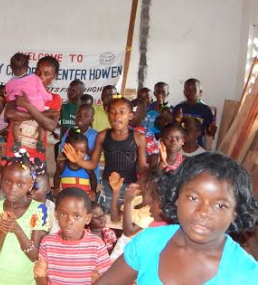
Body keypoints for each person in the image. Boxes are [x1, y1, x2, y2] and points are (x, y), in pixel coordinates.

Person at [95, 153, 258, 284]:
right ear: (176, 197)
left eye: (220, 205)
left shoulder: (246, 274)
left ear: (235, 213)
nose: (203, 212)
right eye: (194, 198)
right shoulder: (149, 242)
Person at [64, 97, 147, 213]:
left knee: (125, 221)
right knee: (106, 220)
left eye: (122, 112)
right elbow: (93, 164)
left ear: (130, 116)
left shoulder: (139, 137)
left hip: (130, 188)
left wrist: (143, 182)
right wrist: (78, 160)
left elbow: (142, 167)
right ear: (108, 115)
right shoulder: (102, 136)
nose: (116, 116)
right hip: (108, 188)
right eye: (112, 112)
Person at [0, 152, 52, 285]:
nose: (12, 188)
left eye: (20, 184)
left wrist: (17, 229)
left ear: (30, 184)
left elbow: (35, 256)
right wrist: (3, 231)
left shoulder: (39, 211)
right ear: (1, 178)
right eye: (8, 181)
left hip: (27, 281)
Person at [35, 187, 112, 285]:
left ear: (88, 218)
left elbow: (108, 279)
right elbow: (40, 276)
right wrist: (40, 276)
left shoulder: (96, 245)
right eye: (63, 214)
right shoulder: (47, 243)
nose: (69, 221)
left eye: (76, 216)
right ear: (56, 215)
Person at [5, 56, 62, 164]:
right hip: (14, 155)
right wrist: (43, 115)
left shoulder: (54, 99)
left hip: (37, 158)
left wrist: (27, 105)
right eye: (38, 71)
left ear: (53, 76)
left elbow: (51, 126)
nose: (40, 76)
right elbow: (9, 114)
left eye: (46, 74)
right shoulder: (20, 89)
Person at [54, 130, 97, 201]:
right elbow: (57, 176)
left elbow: (93, 178)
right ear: (66, 150)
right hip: (66, 200)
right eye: (75, 151)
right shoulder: (62, 165)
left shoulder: (87, 166)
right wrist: (56, 188)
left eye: (82, 152)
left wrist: (93, 191)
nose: (79, 155)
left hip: (83, 201)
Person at [58, 104, 99, 179]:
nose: (81, 117)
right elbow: (62, 149)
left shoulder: (96, 135)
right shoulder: (69, 131)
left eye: (86, 115)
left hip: (89, 176)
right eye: (78, 114)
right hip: (70, 174)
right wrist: (69, 141)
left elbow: (96, 157)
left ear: (91, 120)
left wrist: (85, 149)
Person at [173, 78, 216, 148]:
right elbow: (174, 127)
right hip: (181, 144)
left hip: (198, 144)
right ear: (184, 92)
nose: (190, 92)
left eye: (194, 90)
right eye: (188, 90)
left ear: (200, 92)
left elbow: (208, 131)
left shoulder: (205, 109)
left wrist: (212, 130)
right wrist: (177, 120)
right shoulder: (179, 108)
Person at [28, 164, 60, 235]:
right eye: (26, 186)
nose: (29, 191)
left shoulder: (52, 210)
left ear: (48, 188)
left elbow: (55, 235)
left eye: (35, 187)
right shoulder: (21, 207)